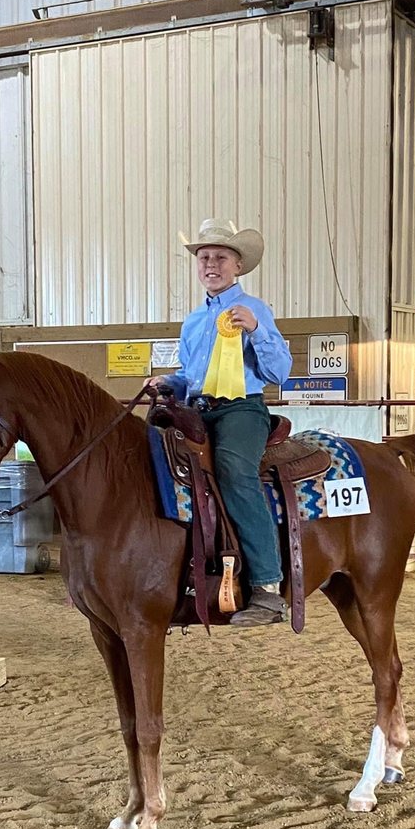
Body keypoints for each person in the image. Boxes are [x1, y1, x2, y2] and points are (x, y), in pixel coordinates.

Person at [147, 219, 293, 627]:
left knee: (233, 470)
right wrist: (167, 381)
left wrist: (258, 330)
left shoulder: (255, 309)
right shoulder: (193, 321)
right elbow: (192, 376)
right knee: (155, 460)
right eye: (204, 257)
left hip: (241, 409)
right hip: (197, 408)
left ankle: (266, 588)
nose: (211, 264)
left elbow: (279, 373)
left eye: (220, 257)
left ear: (238, 265)